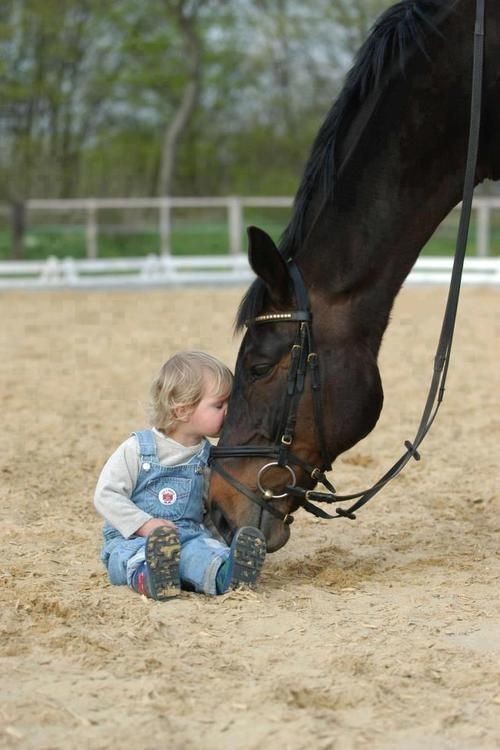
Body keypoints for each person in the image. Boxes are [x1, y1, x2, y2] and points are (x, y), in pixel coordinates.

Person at [94, 350, 266, 600]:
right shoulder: (138, 449)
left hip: (188, 535)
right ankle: (150, 578)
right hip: (132, 538)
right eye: (219, 405)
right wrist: (145, 525)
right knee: (131, 558)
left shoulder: (209, 457)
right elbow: (106, 495)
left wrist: (220, 543)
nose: (230, 411)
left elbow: (208, 508)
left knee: (201, 554)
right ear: (182, 411)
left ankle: (226, 574)